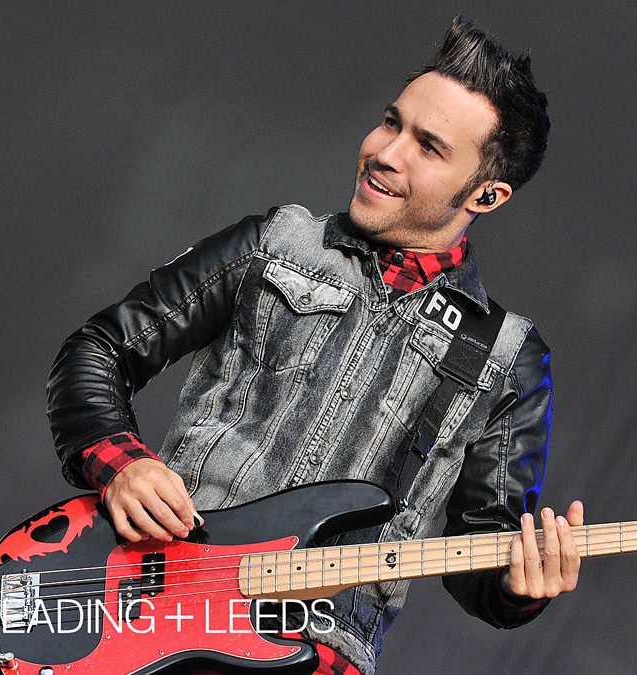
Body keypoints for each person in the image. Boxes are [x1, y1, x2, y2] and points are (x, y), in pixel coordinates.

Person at [46, 17, 581, 675]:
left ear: (486, 194)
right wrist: (122, 463)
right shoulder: (275, 244)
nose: (385, 152)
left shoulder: (507, 357)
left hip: (319, 655)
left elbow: (484, 556)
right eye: (391, 122)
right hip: (154, 608)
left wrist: (520, 587)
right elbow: (100, 349)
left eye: (428, 147)